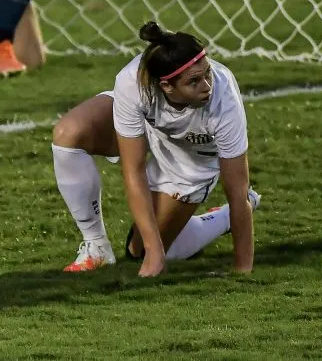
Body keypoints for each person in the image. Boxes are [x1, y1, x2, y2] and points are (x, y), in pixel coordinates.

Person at [51, 21, 260, 276]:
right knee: (69, 132)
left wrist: (242, 270)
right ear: (166, 86)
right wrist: (155, 252)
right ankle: (96, 246)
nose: (207, 85)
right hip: (148, 125)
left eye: (207, 73)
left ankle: (221, 219)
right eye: (195, 80)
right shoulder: (134, 81)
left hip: (190, 155)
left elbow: (236, 192)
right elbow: (134, 170)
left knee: (138, 251)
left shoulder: (223, 101)